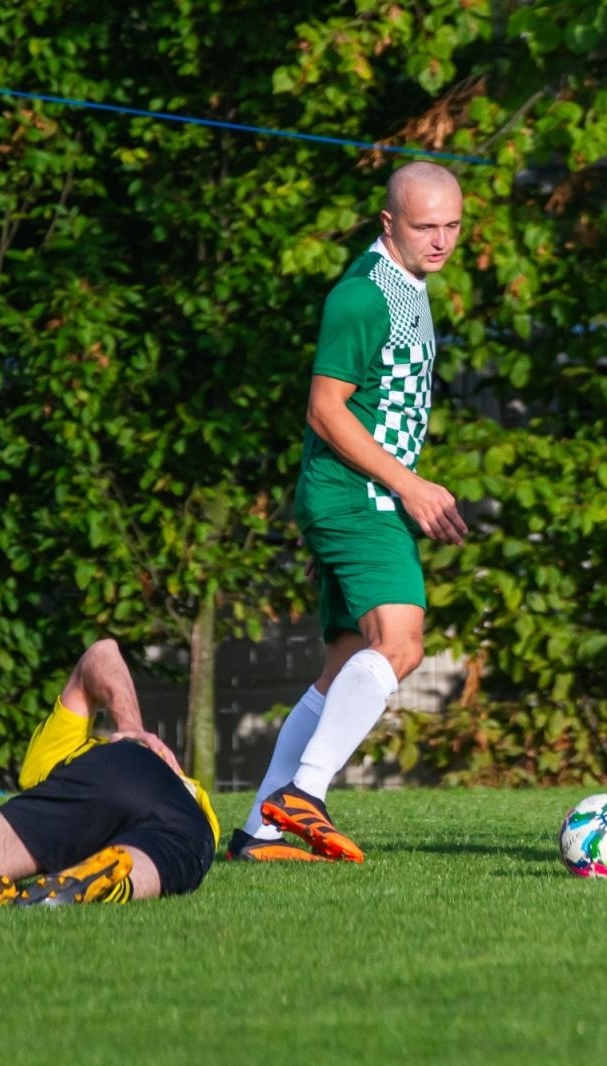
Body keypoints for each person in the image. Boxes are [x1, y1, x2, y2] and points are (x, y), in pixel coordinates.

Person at [228, 161, 468, 863]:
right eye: (426, 227)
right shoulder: (362, 297)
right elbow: (325, 409)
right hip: (358, 498)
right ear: (387, 223)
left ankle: (260, 831)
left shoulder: (410, 284)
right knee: (402, 642)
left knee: (344, 666)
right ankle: (306, 793)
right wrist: (412, 486)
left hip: (366, 495)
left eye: (453, 226)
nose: (442, 241)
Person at [0, 639, 218, 906]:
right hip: (190, 823)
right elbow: (102, 652)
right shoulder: (183, 785)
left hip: (110, 773)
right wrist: (130, 725)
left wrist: (129, 730)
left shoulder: (52, 751)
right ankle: (99, 882)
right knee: (138, 865)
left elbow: (100, 653)